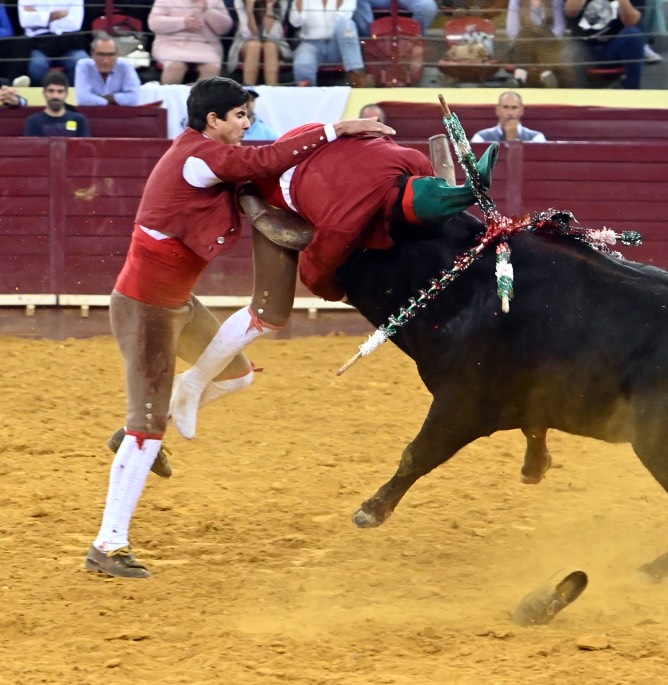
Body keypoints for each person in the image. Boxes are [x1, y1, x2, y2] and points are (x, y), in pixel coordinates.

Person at [84, 76, 394, 579]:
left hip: (177, 305)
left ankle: (143, 428)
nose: (247, 125)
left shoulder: (206, 157)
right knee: (147, 428)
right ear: (214, 120)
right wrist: (337, 129)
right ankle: (108, 544)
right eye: (240, 116)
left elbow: (259, 165)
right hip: (144, 309)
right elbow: (264, 162)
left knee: (235, 375)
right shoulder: (198, 156)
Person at [168, 131, 499, 441]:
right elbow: (316, 270)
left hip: (316, 154)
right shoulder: (347, 217)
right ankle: (193, 384)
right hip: (270, 193)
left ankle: (178, 396)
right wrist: (338, 294)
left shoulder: (416, 162)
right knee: (268, 313)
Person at [289, 0, 375, 88]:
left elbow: (343, 19)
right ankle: (308, 97)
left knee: (347, 25)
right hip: (311, 43)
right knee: (303, 63)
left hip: (338, 45)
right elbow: (295, 22)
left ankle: (357, 75)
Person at [148, 0, 233, 85]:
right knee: (175, 67)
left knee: (211, 70)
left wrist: (207, 11)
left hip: (206, 46)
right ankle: (169, 97)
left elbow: (225, 29)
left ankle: (203, 97)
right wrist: (183, 22)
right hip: (171, 43)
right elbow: (154, 23)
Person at [565, 0, 646, 89]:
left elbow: (632, 22)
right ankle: (579, 96)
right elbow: (570, 12)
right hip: (585, 47)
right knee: (569, 51)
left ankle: (633, 92)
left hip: (615, 46)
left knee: (633, 34)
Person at [18, 0, 89, 85]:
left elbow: (75, 23)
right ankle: (48, 94)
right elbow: (25, 21)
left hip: (69, 42)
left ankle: (64, 94)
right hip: (38, 44)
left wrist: (40, 18)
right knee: (37, 67)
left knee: (83, 63)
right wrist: (54, 16)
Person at [506, 0, 575, 88]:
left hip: (550, 46)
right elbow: (512, 32)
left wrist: (539, 37)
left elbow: (559, 29)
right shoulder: (516, 1)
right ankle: (546, 73)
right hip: (523, 47)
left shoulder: (556, 1)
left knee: (534, 31)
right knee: (527, 31)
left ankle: (519, 77)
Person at [225, 0, 292, 86]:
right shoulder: (239, 2)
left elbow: (273, 35)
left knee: (269, 46)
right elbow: (248, 34)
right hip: (245, 43)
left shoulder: (282, 2)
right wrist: (249, 11)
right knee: (255, 45)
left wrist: (269, 7)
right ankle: (248, 92)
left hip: (276, 44)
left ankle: (272, 91)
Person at [74, 34, 141, 106]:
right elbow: (82, 99)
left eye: (110, 55)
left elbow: (133, 99)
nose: (106, 60)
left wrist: (97, 99)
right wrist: (110, 101)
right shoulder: (83, 65)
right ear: (92, 54)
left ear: (117, 55)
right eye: (101, 54)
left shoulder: (126, 66)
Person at [24, 70, 89, 136]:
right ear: (44, 93)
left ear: (66, 93)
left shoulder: (79, 120)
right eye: (51, 91)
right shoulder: (33, 121)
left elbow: (84, 145)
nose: (55, 96)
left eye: (60, 91)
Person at [471, 91, 547, 143]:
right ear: (497, 110)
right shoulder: (481, 137)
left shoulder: (536, 137)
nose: (510, 113)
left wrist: (512, 139)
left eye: (514, 108)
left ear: (521, 110)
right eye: (505, 107)